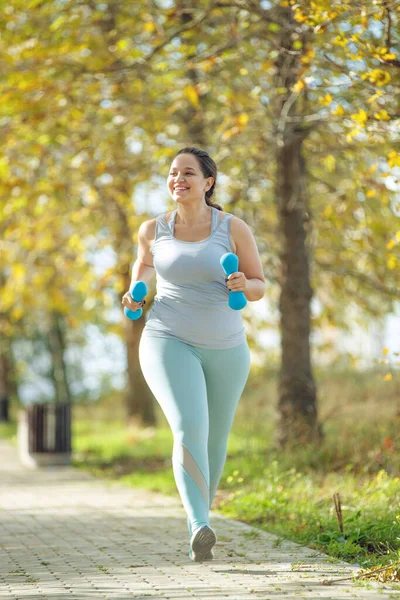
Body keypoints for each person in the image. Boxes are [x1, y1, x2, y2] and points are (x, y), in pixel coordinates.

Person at [121, 146, 265, 562]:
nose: (177, 179)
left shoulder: (233, 228)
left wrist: (243, 284)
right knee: (189, 425)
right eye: (172, 173)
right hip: (168, 338)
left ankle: (201, 515)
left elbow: (259, 284)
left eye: (187, 172)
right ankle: (198, 524)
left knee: (215, 438)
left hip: (227, 347)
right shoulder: (153, 230)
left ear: (208, 182)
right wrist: (132, 299)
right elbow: (142, 275)